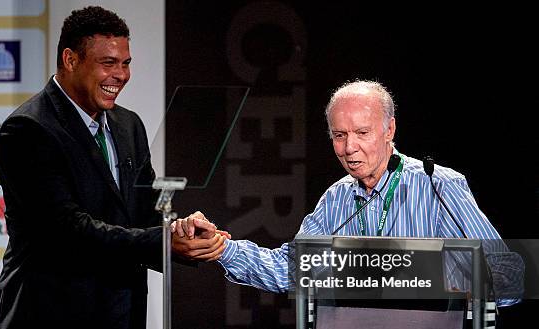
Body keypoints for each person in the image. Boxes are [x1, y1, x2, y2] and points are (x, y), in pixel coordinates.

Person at [0, 6, 226, 329]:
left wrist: (181, 231)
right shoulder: (28, 129)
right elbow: (65, 231)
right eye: (108, 63)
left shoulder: (128, 125)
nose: (121, 75)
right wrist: (160, 242)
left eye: (126, 63)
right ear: (70, 59)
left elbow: (144, 212)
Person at [173, 80, 523, 304]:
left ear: (390, 130)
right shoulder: (337, 199)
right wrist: (221, 248)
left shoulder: (439, 185)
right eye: (339, 136)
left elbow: (509, 276)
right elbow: (291, 270)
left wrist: (435, 278)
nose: (349, 148)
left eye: (362, 133)